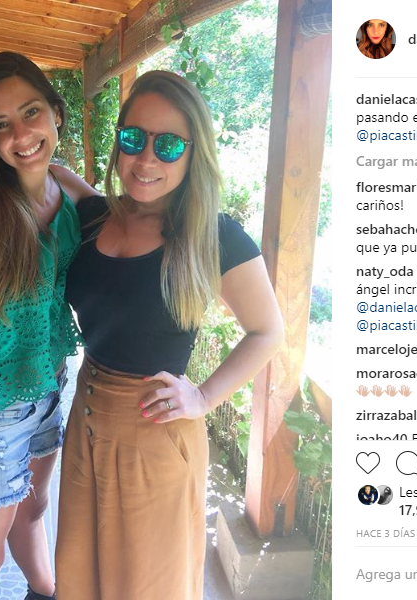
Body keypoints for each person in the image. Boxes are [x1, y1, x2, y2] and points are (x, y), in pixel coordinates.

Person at [56, 70, 284, 600]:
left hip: (155, 433)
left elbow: (268, 330)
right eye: (133, 138)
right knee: (80, 576)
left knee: (147, 585)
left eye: (169, 145)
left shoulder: (213, 236)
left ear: (193, 152)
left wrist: (203, 397)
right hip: (85, 421)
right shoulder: (95, 218)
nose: (146, 159)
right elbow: (57, 175)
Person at [0, 51, 95, 600]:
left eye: (30, 112)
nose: (21, 135)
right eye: (0, 125)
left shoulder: (66, 188)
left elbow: (128, 226)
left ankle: (45, 592)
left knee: (33, 511)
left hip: (51, 390)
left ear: (56, 112)